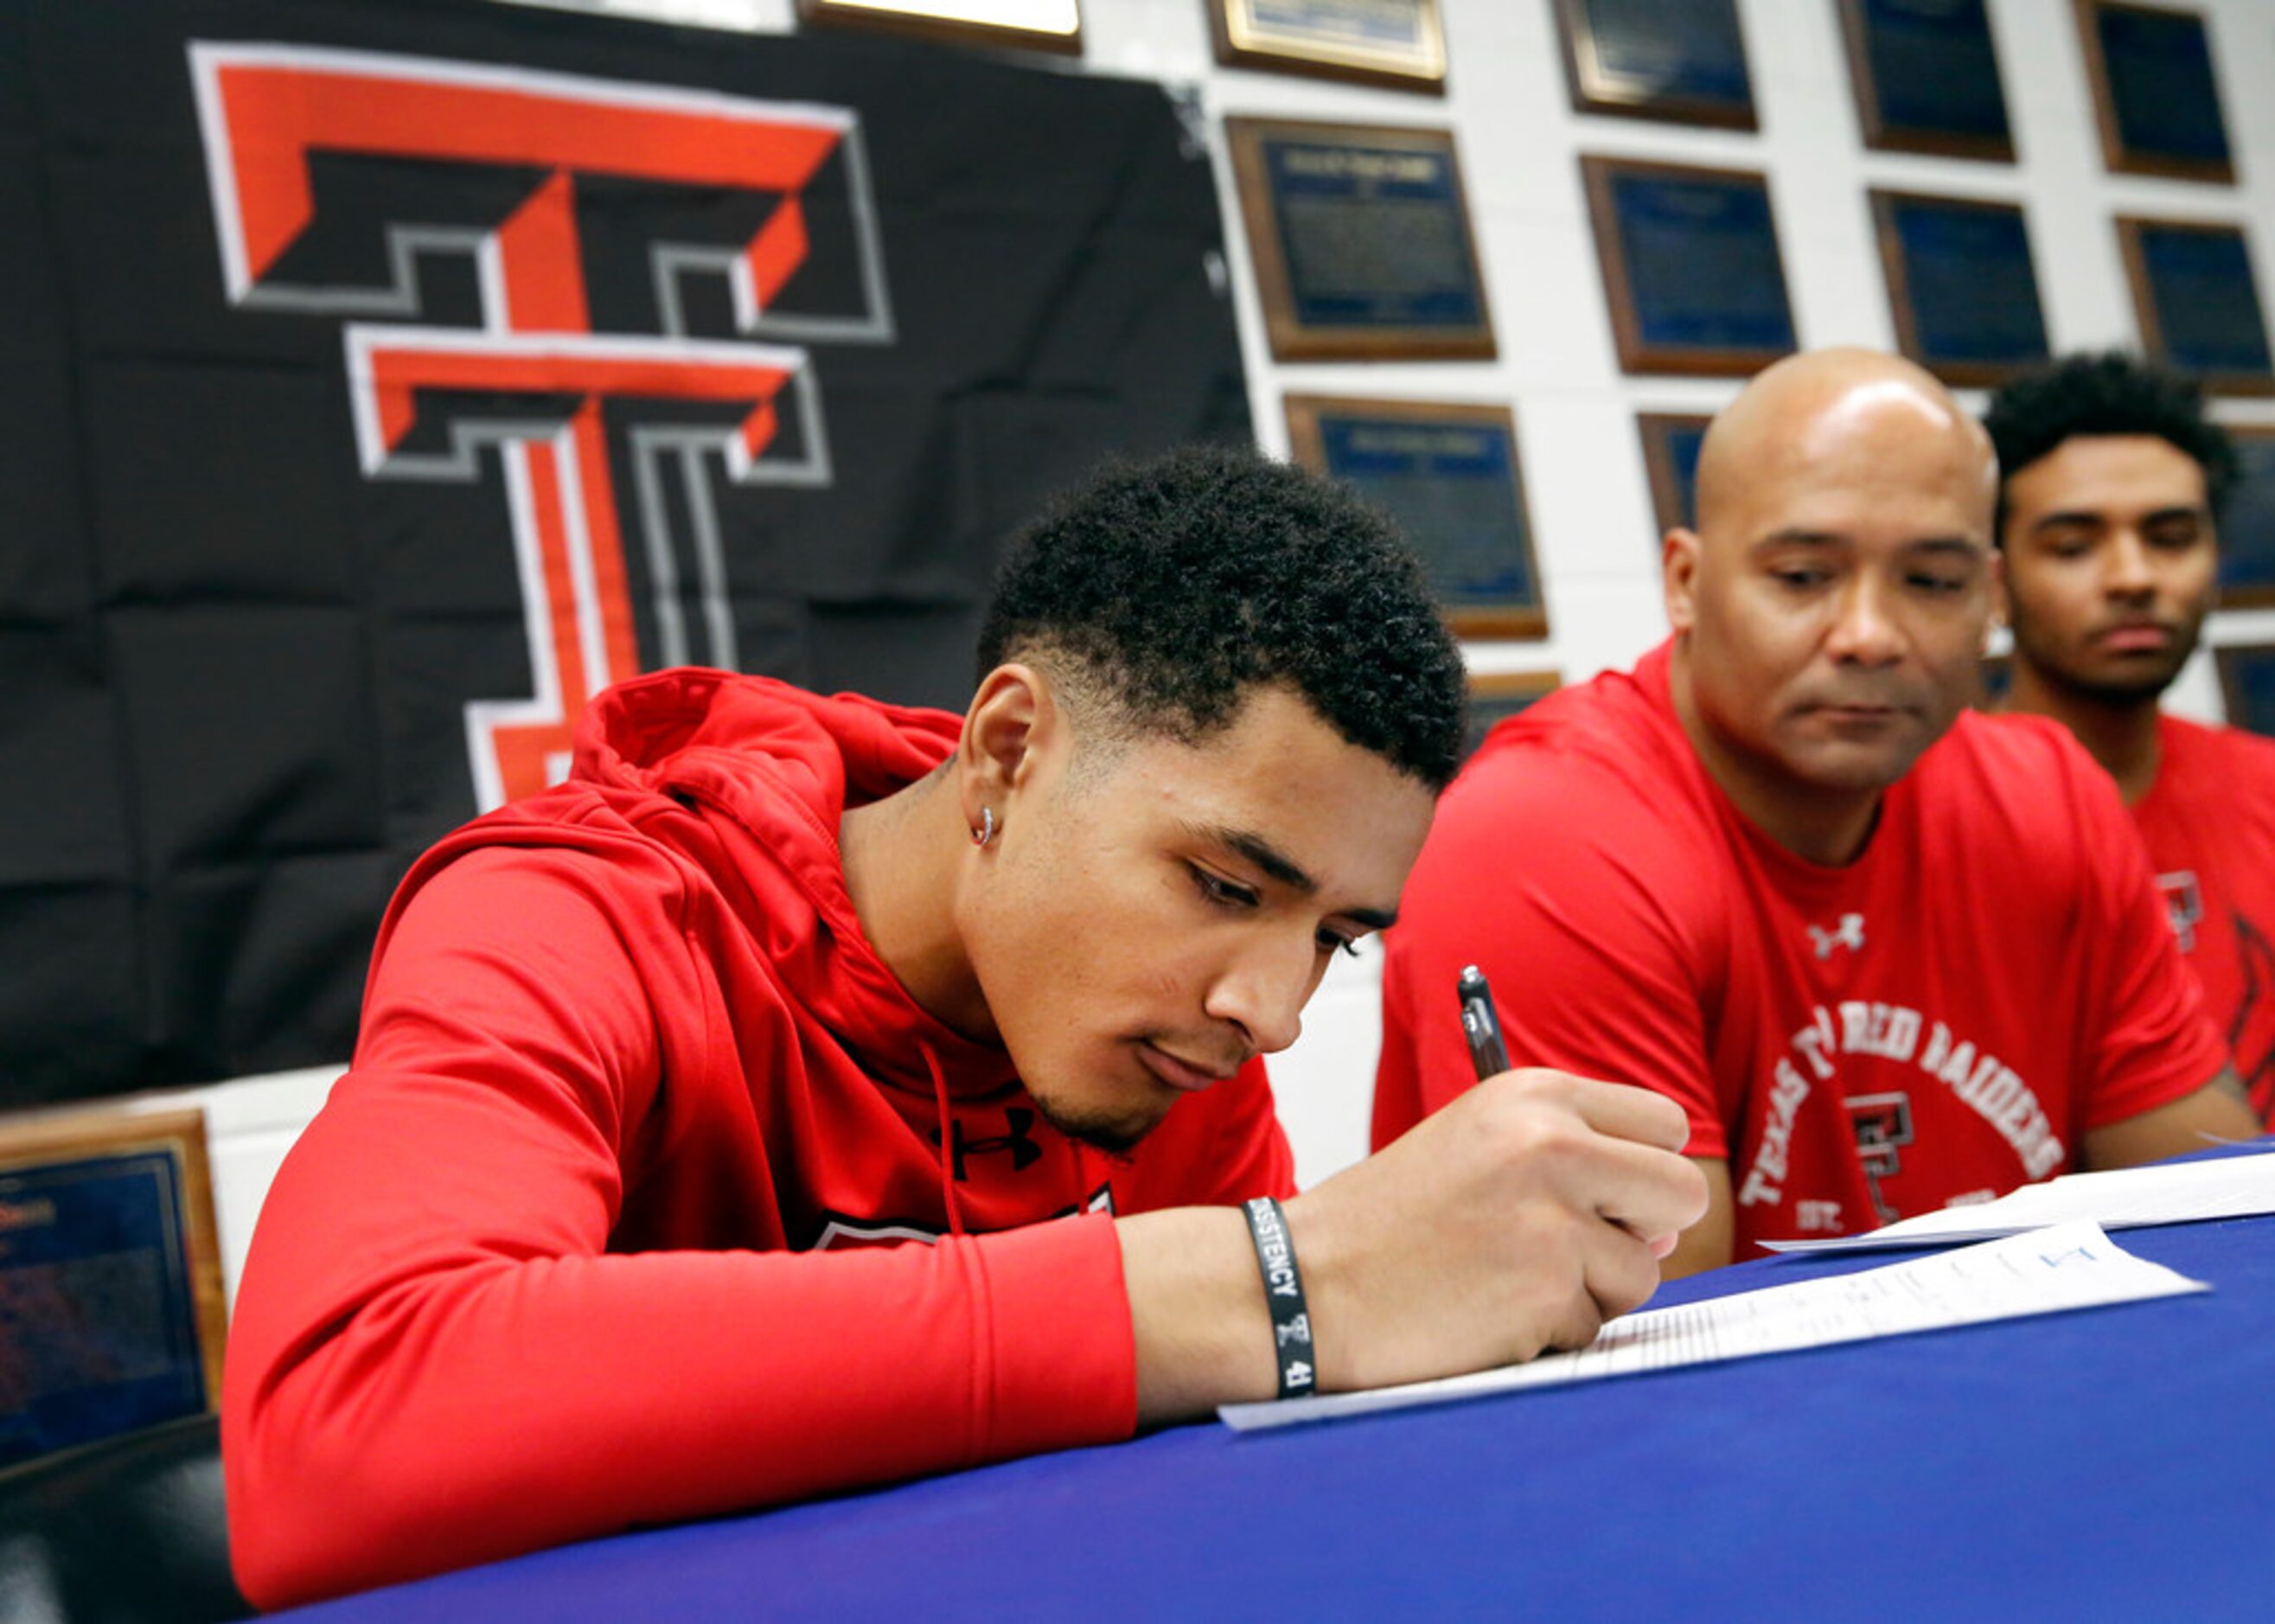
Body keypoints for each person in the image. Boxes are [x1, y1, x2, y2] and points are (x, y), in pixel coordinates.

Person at [223, 447, 1708, 1608]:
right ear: (1008, 750)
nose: (1270, 1009)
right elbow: (335, 1428)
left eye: (1330, 934)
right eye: (1220, 882)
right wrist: (1264, 1282)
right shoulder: (588, 910)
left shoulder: (1166, 1041)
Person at [1373, 349, 2258, 1277]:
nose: (1869, 635)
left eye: (1932, 582)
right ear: (1685, 582)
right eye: (1802, 577)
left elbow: (2208, 1216)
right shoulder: (1544, 837)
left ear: (1991, 597)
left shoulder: (2050, 795)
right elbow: (1659, 1336)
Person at [1985, 353, 2275, 1121]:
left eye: (2170, 537)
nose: (2131, 577)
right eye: (2072, 546)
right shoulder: (1914, 820)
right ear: (1994, 578)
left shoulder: (2265, 789)